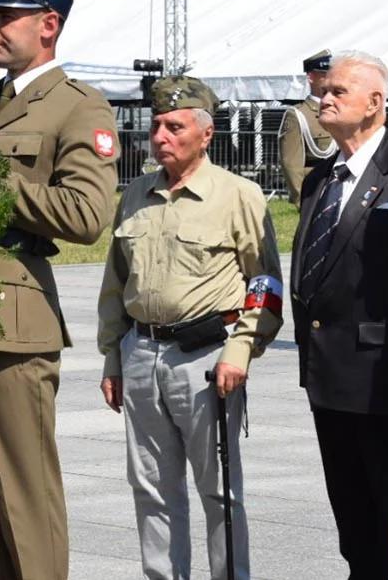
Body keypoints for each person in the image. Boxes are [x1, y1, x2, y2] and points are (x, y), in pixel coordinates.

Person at [0, 0, 120, 580]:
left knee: (23, 492)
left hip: (15, 319)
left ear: (47, 24)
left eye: (5, 15)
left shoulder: (77, 105)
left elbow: (85, 216)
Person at [97, 75, 283, 580]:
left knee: (219, 490)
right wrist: (113, 358)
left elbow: (265, 284)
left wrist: (241, 351)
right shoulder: (136, 193)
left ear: (205, 133)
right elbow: (116, 285)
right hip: (142, 354)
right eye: (156, 125)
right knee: (152, 489)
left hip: (206, 359)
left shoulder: (239, 195)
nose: (160, 136)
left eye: (174, 126)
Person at [289, 50, 388, 579]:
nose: (323, 99)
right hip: (327, 371)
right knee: (349, 507)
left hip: (383, 373)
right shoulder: (320, 180)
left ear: (375, 103)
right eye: (323, 91)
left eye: (337, 92)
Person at [280, 50, 336, 207]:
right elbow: (291, 162)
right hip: (314, 190)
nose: (329, 79)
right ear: (311, 77)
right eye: (324, 74)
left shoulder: (342, 110)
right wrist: (301, 200)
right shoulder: (298, 114)